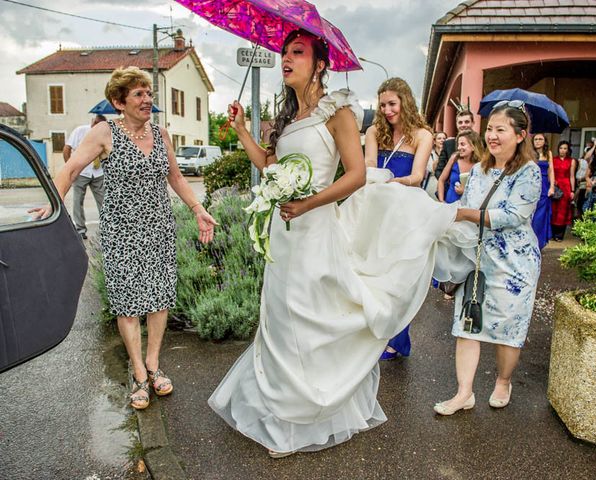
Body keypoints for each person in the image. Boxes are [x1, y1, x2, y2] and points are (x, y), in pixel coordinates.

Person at [209, 29, 476, 457]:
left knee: (310, 315)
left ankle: (312, 408)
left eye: (296, 52)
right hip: (285, 231)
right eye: (283, 53)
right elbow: (267, 163)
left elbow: (353, 175)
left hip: (316, 229)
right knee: (279, 317)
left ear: (319, 64)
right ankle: (278, 410)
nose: (286, 60)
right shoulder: (289, 118)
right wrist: (242, 130)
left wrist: (308, 203)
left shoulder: (340, 111)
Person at [31, 67, 218, 410]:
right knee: (129, 303)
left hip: (159, 229)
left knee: (159, 299)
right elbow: (71, 169)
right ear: (119, 101)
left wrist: (197, 208)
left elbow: (175, 177)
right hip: (122, 232)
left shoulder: (161, 133)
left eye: (149, 93)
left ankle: (153, 364)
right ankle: (138, 374)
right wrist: (52, 202)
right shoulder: (105, 132)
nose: (147, 99)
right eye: (139, 94)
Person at [433, 100, 542, 415]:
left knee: (508, 329)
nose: (492, 136)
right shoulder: (479, 169)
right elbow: (467, 205)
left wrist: (462, 213)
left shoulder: (529, 172)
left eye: (501, 129)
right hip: (478, 260)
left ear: (520, 135)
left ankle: (503, 380)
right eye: (490, 129)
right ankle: (464, 393)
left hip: (514, 265)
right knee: (467, 325)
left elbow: (512, 215)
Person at [364, 77, 434, 360]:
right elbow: (369, 164)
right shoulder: (373, 132)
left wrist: (392, 183)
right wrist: (374, 178)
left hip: (404, 210)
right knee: (373, 272)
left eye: (392, 103)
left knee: (398, 276)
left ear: (405, 101)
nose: (387, 110)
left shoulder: (422, 135)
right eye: (382, 105)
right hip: (375, 208)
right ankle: (373, 333)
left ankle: (397, 338)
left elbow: (417, 177)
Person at [63, 115, 107, 239]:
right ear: (92, 123)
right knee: (78, 201)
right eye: (96, 124)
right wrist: (70, 167)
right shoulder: (80, 131)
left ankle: (107, 228)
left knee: (104, 201)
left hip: (98, 173)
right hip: (81, 172)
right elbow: (66, 149)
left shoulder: (105, 134)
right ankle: (80, 229)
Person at [437, 130, 483, 204]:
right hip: (449, 207)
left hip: (469, 209)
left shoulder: (481, 165)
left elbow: (483, 191)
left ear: (473, 147)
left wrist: (465, 192)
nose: (458, 147)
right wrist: (442, 201)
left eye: (462, 144)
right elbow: (441, 180)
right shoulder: (454, 158)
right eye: (458, 144)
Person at [434, 110, 475, 180]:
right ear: (456, 124)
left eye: (467, 122)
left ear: (473, 123)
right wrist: (450, 184)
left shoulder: (481, 143)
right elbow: (439, 171)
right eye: (460, 122)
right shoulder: (448, 144)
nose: (463, 125)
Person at [531, 133, 555, 250]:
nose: (538, 141)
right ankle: (531, 240)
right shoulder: (530, 153)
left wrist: (552, 187)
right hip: (533, 184)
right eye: (536, 139)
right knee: (533, 214)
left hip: (545, 184)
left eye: (540, 139)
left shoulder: (548, 153)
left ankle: (539, 242)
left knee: (541, 215)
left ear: (545, 141)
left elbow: (551, 171)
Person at [551, 140, 576, 241]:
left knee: (563, 211)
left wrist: (572, 190)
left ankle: (560, 235)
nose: (562, 150)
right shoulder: (553, 159)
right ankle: (552, 233)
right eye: (561, 148)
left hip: (566, 186)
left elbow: (572, 176)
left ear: (568, 150)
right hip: (555, 185)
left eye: (565, 148)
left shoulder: (571, 161)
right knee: (554, 210)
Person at [423, 131, 446, 199]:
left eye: (444, 138)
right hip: (432, 182)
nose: (442, 140)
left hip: (445, 183)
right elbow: (432, 169)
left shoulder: (448, 153)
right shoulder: (430, 154)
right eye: (439, 138)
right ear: (435, 142)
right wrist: (441, 155)